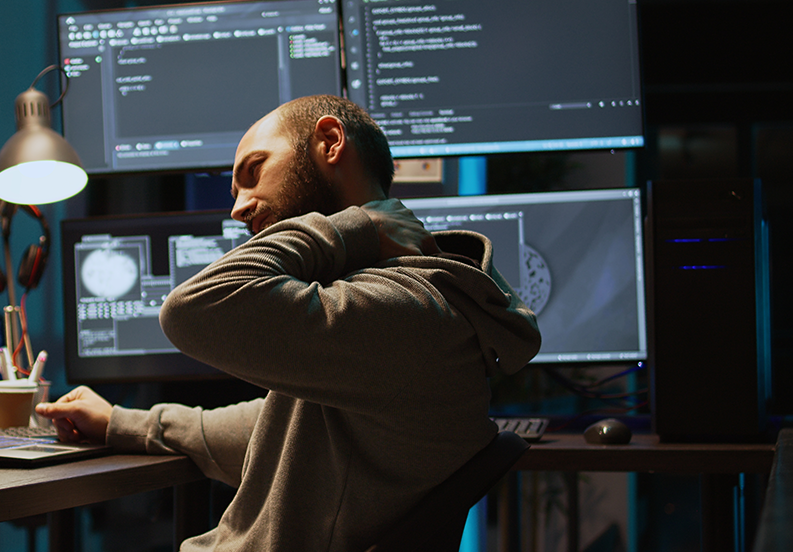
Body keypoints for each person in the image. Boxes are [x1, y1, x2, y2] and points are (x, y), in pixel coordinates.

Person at [35, 95, 541, 551]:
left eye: (254, 171)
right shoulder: (382, 311)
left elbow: (191, 309)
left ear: (330, 141)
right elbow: (277, 428)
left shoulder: (406, 309)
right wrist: (122, 422)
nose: (238, 208)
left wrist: (354, 227)